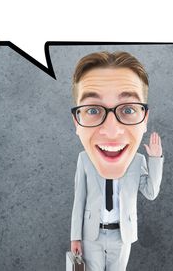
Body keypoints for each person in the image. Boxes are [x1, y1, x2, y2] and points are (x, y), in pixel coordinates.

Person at [70, 51, 164, 271]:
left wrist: (155, 159)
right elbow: (79, 200)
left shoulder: (138, 160)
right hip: (91, 235)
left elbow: (151, 193)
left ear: (144, 121)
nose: (111, 132)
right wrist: (75, 236)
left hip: (122, 235)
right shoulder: (84, 160)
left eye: (128, 109)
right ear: (77, 122)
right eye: (92, 110)